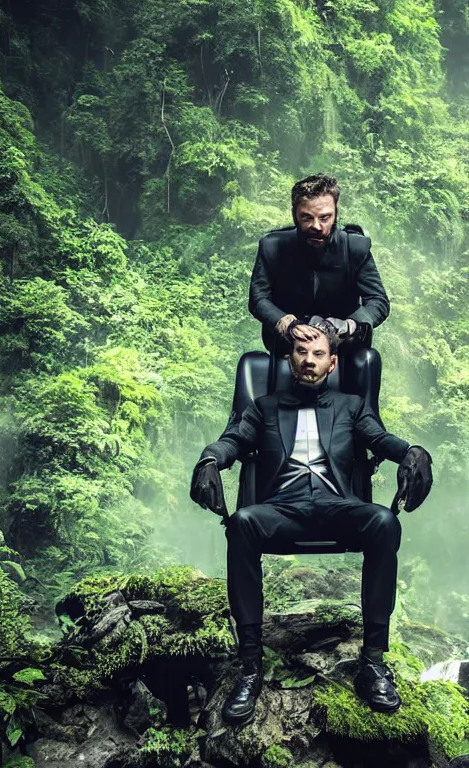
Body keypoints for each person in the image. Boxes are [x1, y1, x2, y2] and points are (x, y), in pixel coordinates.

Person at [190, 325, 432, 726]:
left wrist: (413, 451)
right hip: (281, 509)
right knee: (243, 523)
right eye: (301, 352)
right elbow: (232, 440)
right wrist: (210, 460)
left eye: (318, 354)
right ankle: (250, 667)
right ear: (290, 359)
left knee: (384, 521)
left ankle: (372, 663)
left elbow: (379, 438)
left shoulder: (351, 405)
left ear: (331, 362)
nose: (309, 360)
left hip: (336, 505)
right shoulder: (264, 406)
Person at [249, 174, 390, 356]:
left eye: (324, 218)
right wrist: (284, 322)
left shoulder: (355, 248)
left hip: (343, 346)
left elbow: (378, 301)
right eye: (307, 218)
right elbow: (258, 299)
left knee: (367, 362)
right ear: (294, 216)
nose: (316, 226)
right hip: (288, 345)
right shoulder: (272, 247)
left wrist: (350, 325)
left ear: (336, 214)